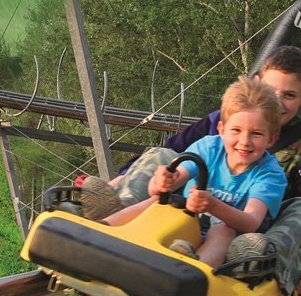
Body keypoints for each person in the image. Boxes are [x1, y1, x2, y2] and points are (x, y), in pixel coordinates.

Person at [83, 45, 301, 296]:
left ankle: (234, 265)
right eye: (270, 91)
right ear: (222, 128)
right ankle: (104, 222)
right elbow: (175, 159)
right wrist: (152, 180)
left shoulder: (297, 157)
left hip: (244, 230)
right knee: (163, 167)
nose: (277, 102)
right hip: (188, 215)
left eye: (289, 95)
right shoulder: (218, 130)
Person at [103, 77, 287, 268]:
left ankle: (190, 269)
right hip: (184, 223)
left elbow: (251, 222)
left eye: (256, 134)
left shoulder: (270, 174)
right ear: (222, 129)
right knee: (158, 200)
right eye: (236, 130)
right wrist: (163, 181)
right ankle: (102, 228)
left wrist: (212, 205)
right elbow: (169, 183)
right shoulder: (209, 147)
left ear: (271, 139)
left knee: (224, 230)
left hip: (225, 244)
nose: (245, 141)